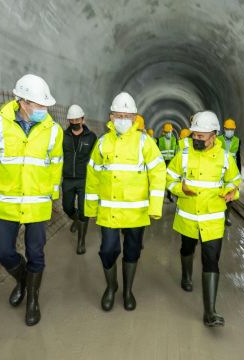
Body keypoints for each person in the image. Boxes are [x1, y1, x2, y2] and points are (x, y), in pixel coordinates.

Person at [0, 74, 63, 326]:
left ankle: (32, 301)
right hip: (6, 202)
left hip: (37, 202)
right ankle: (23, 280)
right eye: (39, 105)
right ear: (22, 102)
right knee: (3, 251)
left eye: (46, 105)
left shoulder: (54, 131)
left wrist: (53, 194)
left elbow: (55, 164)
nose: (44, 110)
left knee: (36, 253)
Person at [85, 92, 166, 312]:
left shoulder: (144, 142)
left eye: (126, 116)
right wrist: (90, 208)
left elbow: (159, 172)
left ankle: (128, 290)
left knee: (132, 251)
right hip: (109, 212)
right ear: (110, 117)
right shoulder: (102, 143)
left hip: (136, 213)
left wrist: (155, 207)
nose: (122, 119)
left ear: (134, 118)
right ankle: (111, 287)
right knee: (108, 250)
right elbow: (92, 176)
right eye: (118, 115)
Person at [166, 111, 241, 327]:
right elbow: (168, 177)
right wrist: (180, 189)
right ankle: (186, 275)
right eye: (194, 135)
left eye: (201, 136)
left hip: (213, 219)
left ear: (214, 136)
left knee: (211, 260)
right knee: (187, 248)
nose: (196, 139)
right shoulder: (185, 154)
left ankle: (210, 312)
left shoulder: (225, 158)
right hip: (188, 217)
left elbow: (234, 181)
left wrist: (231, 193)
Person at [62, 104, 97, 254]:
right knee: (67, 207)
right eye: (72, 120)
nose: (75, 122)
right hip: (68, 178)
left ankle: (81, 242)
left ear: (83, 119)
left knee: (84, 211)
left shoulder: (91, 137)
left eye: (78, 119)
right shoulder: (63, 136)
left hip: (85, 179)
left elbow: (95, 159)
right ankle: (76, 220)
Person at [218, 118, 242, 226]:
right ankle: (218, 216)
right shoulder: (217, 140)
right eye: (228, 129)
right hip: (219, 172)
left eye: (231, 129)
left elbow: (238, 157)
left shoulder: (237, 141)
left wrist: (239, 172)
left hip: (231, 173)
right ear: (224, 129)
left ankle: (226, 217)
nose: (229, 131)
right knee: (219, 195)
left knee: (231, 196)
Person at [158, 122, 178, 202]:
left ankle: (169, 195)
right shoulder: (160, 140)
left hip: (171, 163)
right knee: (162, 180)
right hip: (162, 163)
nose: (168, 133)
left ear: (172, 131)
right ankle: (161, 195)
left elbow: (176, 151)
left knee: (170, 179)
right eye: (167, 132)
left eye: (169, 132)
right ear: (164, 132)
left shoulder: (174, 140)